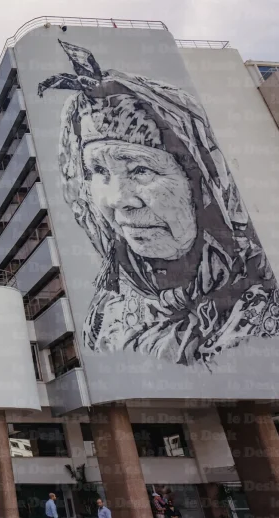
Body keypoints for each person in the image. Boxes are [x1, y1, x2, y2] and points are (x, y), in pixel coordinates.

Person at [38, 40, 278, 368]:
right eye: (99, 171)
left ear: (202, 183)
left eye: (141, 169)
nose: (118, 200)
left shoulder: (258, 307)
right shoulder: (106, 315)